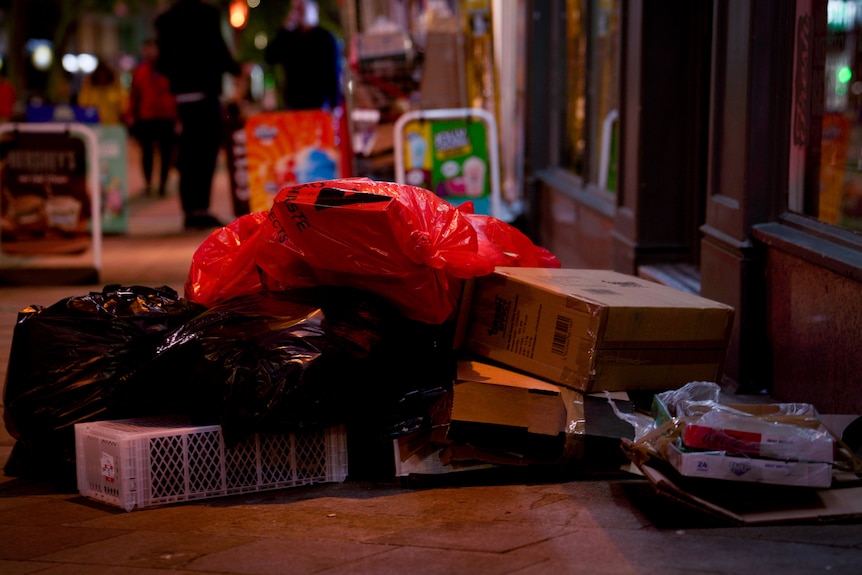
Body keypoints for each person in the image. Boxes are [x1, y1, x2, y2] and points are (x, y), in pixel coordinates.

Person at [154, 0, 241, 230]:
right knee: (205, 153)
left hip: (181, 96)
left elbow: (162, 63)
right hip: (205, 93)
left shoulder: (166, 19)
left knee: (188, 153)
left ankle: (190, 211)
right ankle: (201, 208)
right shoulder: (208, 15)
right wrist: (236, 69)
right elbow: (218, 50)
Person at [264, 0, 341, 111]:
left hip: (320, 104)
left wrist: (334, 104)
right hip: (294, 104)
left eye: (302, 8)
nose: (299, 12)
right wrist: (285, 28)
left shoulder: (325, 38)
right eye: (296, 9)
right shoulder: (290, 38)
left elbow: (334, 71)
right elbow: (270, 57)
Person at [125, 39, 177, 197]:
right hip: (146, 116)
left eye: (151, 49)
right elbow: (135, 95)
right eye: (146, 49)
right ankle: (148, 183)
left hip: (167, 116)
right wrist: (131, 114)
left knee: (166, 152)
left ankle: (163, 183)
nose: (148, 53)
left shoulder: (169, 69)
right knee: (146, 152)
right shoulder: (141, 71)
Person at [77, 60, 127, 125]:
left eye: (104, 76)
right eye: (100, 76)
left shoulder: (115, 89)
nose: (102, 78)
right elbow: (82, 105)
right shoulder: (89, 90)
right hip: (94, 125)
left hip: (113, 125)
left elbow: (124, 105)